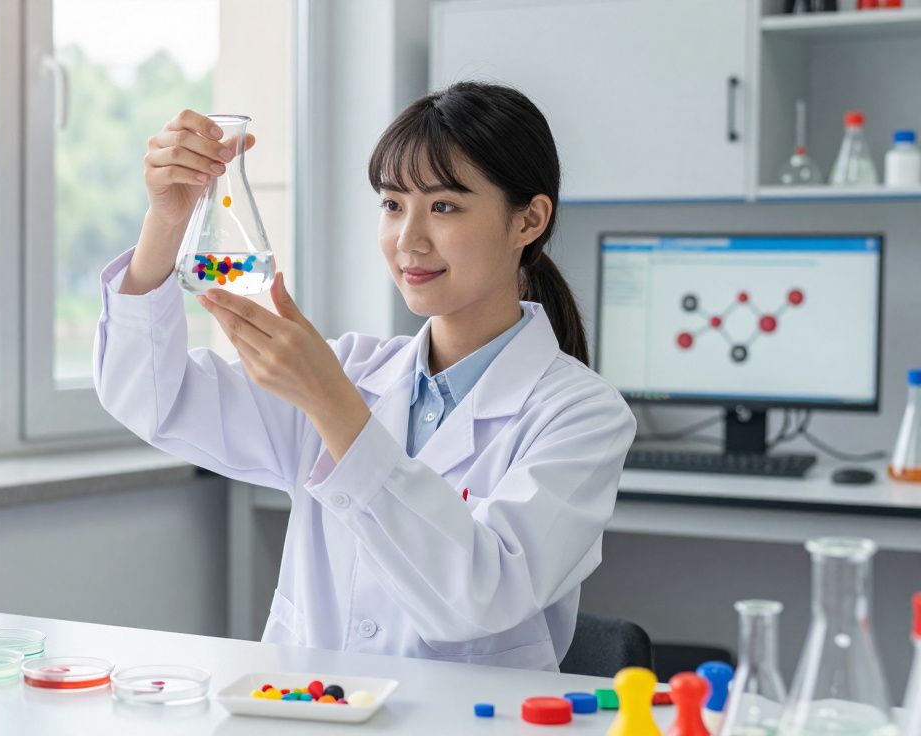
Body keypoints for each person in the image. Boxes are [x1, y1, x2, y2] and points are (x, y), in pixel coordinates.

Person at [93, 81, 636, 671]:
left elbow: (481, 598)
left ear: (528, 220)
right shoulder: (352, 370)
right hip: (309, 712)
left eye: (445, 206)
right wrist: (166, 222)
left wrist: (333, 405)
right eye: (392, 205)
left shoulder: (582, 415)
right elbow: (151, 397)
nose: (409, 240)